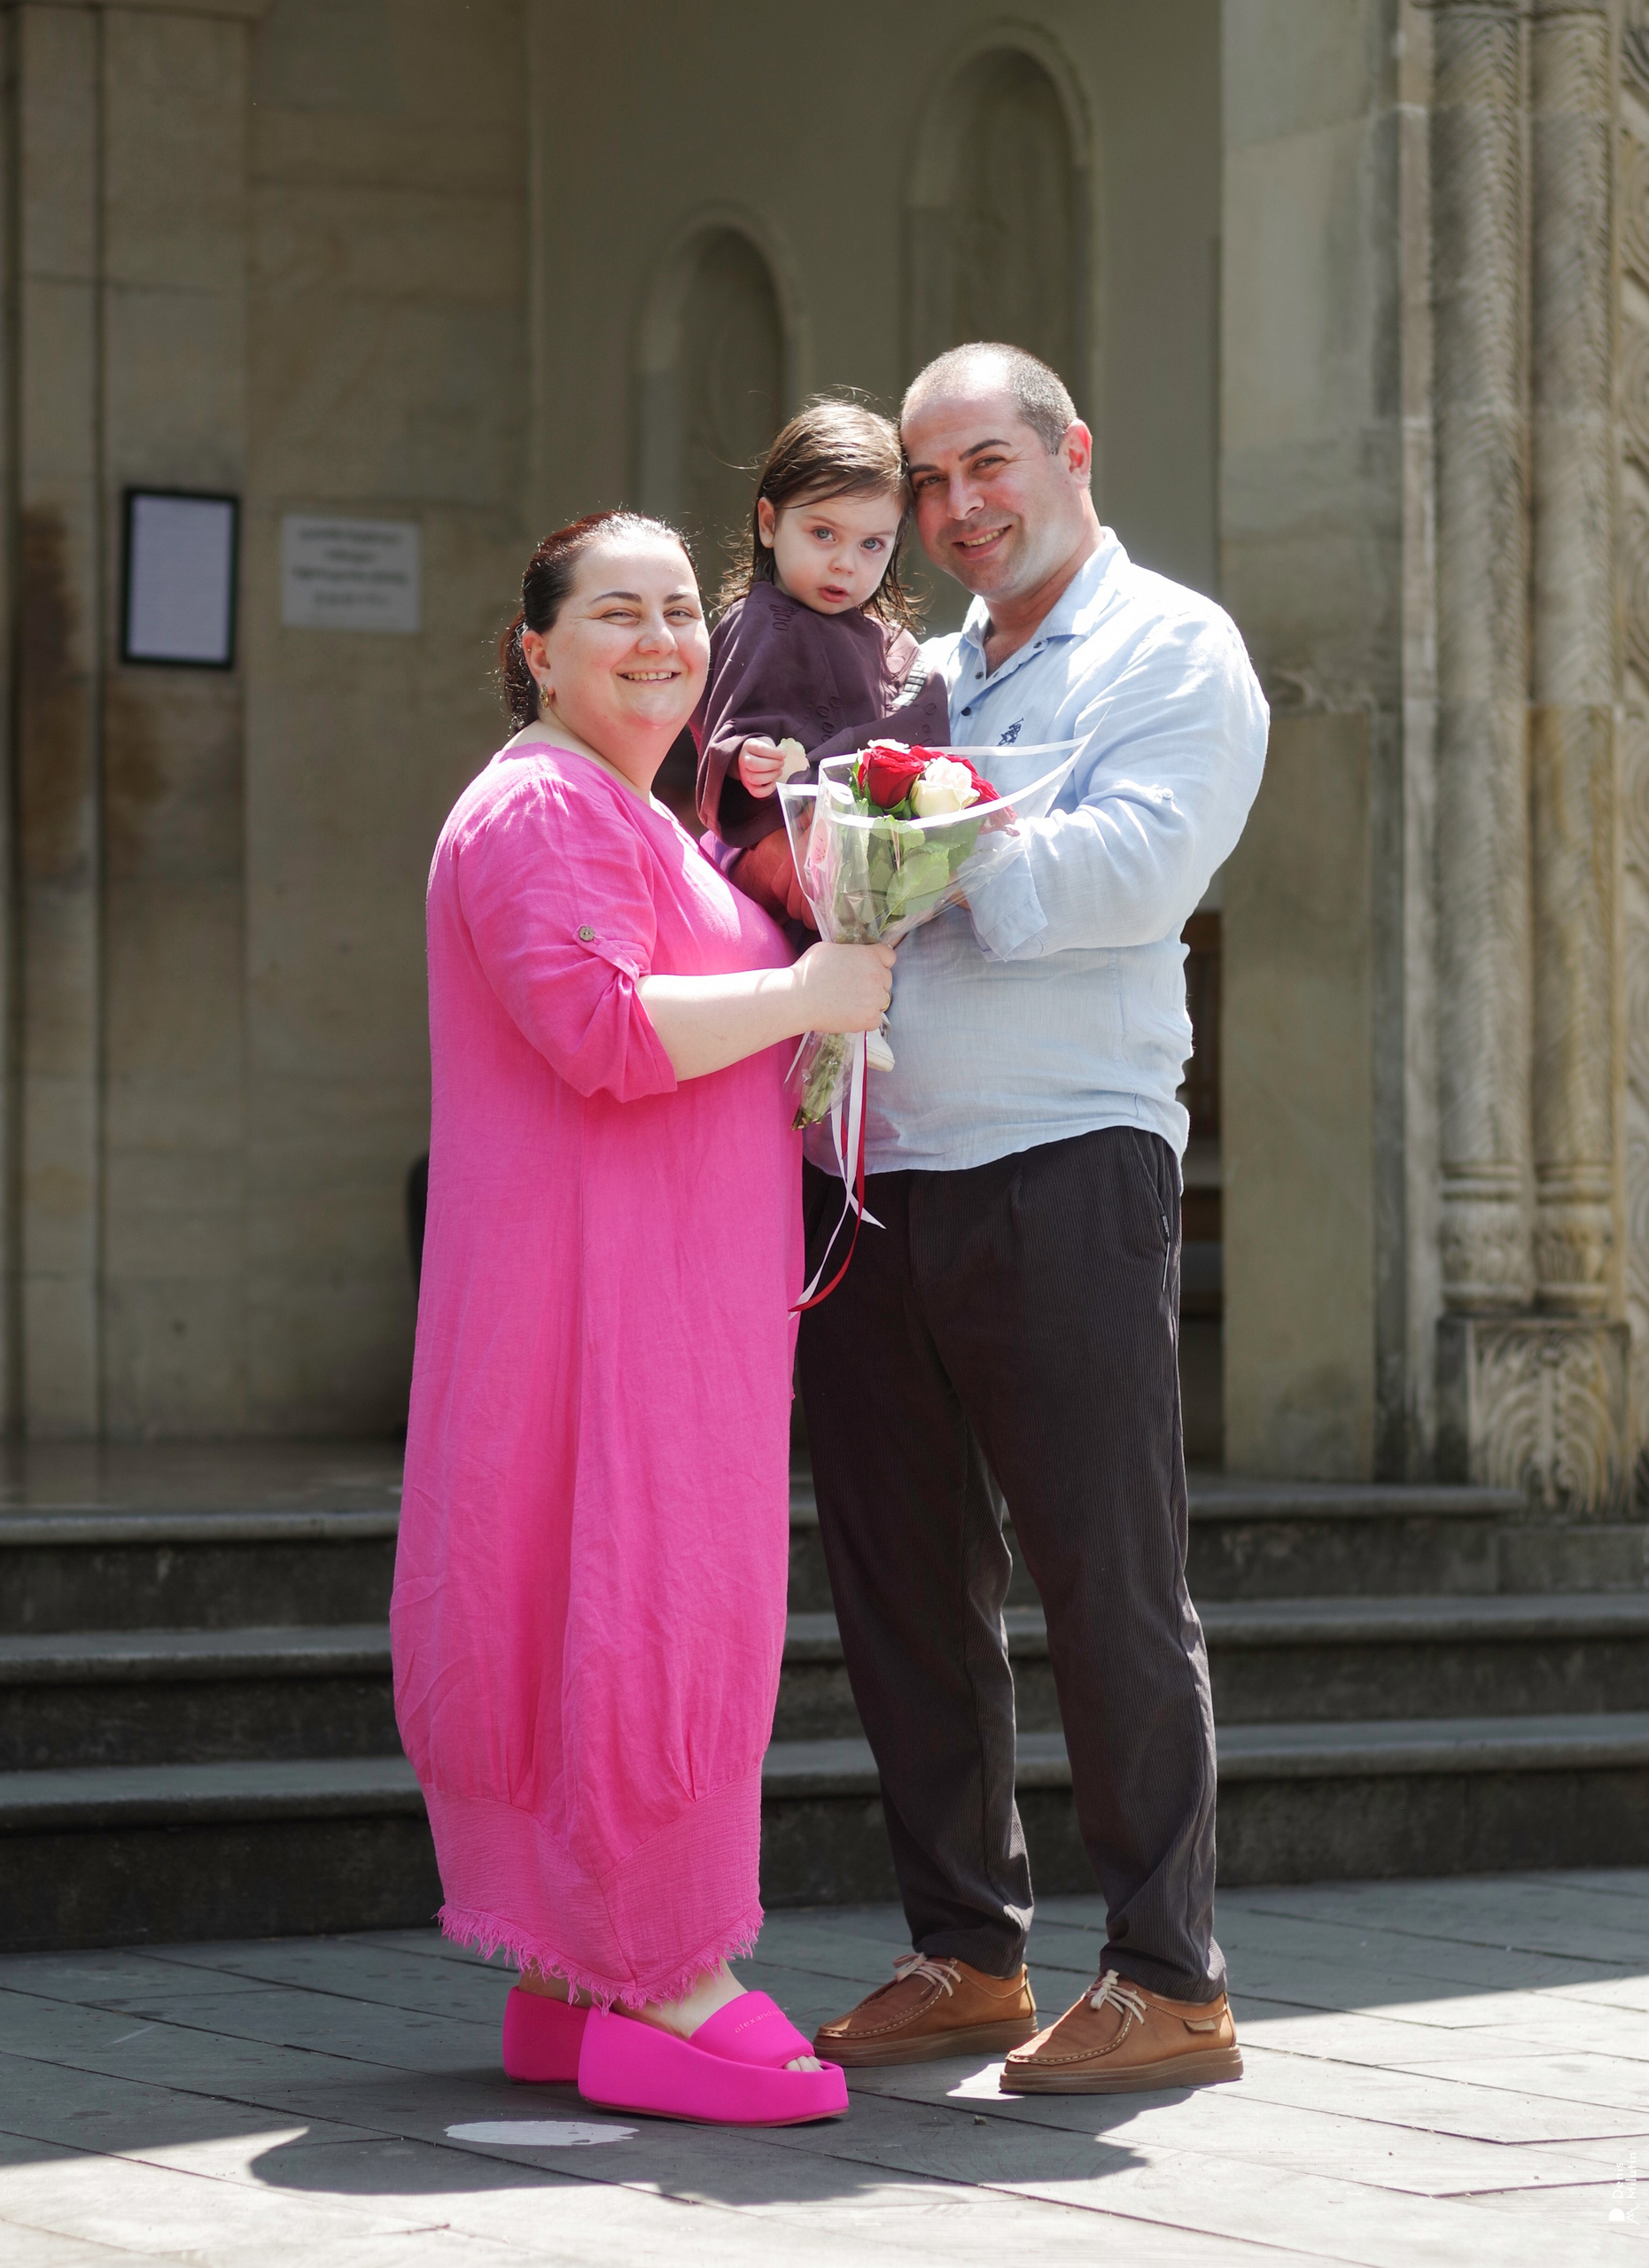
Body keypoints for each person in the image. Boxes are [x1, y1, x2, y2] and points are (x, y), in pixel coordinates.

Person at [801, 344, 1268, 2093]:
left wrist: (929, 828)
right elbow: (843, 879)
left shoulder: (1173, 648)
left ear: (1069, 448)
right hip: (881, 1161)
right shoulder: (915, 670)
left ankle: (1168, 1974)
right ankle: (962, 1947)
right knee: (901, 1582)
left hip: (1067, 1152)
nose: (953, 508)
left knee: (1104, 1577)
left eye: (983, 463)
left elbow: (1132, 874)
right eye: (926, 484)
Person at [393, 510, 893, 2126]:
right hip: (605, 1324)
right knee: (636, 1593)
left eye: (682, 609)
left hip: (677, 1308)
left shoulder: (645, 815)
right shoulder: (537, 807)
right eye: (618, 612)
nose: (663, 638)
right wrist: (811, 997)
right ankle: (669, 1969)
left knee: (650, 1592)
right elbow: (599, 1029)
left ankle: (576, 1986)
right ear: (534, 647)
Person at [694, 400, 947, 926]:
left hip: (862, 867)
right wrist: (746, 758)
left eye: (872, 544)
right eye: (823, 533)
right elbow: (723, 727)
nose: (844, 562)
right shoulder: (757, 621)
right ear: (769, 523)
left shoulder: (890, 646)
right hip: (775, 865)